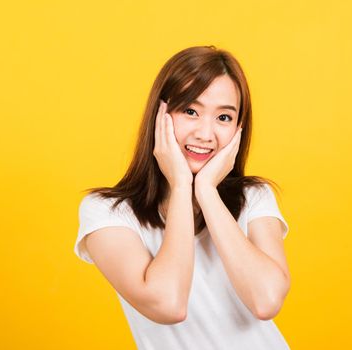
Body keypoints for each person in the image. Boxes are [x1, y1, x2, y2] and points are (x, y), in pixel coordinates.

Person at [74, 45, 291, 350]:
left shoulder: (254, 198)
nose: (206, 133)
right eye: (190, 111)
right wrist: (180, 187)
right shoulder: (108, 213)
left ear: (239, 129)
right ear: (160, 115)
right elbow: (169, 304)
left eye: (224, 118)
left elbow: (266, 301)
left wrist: (205, 191)